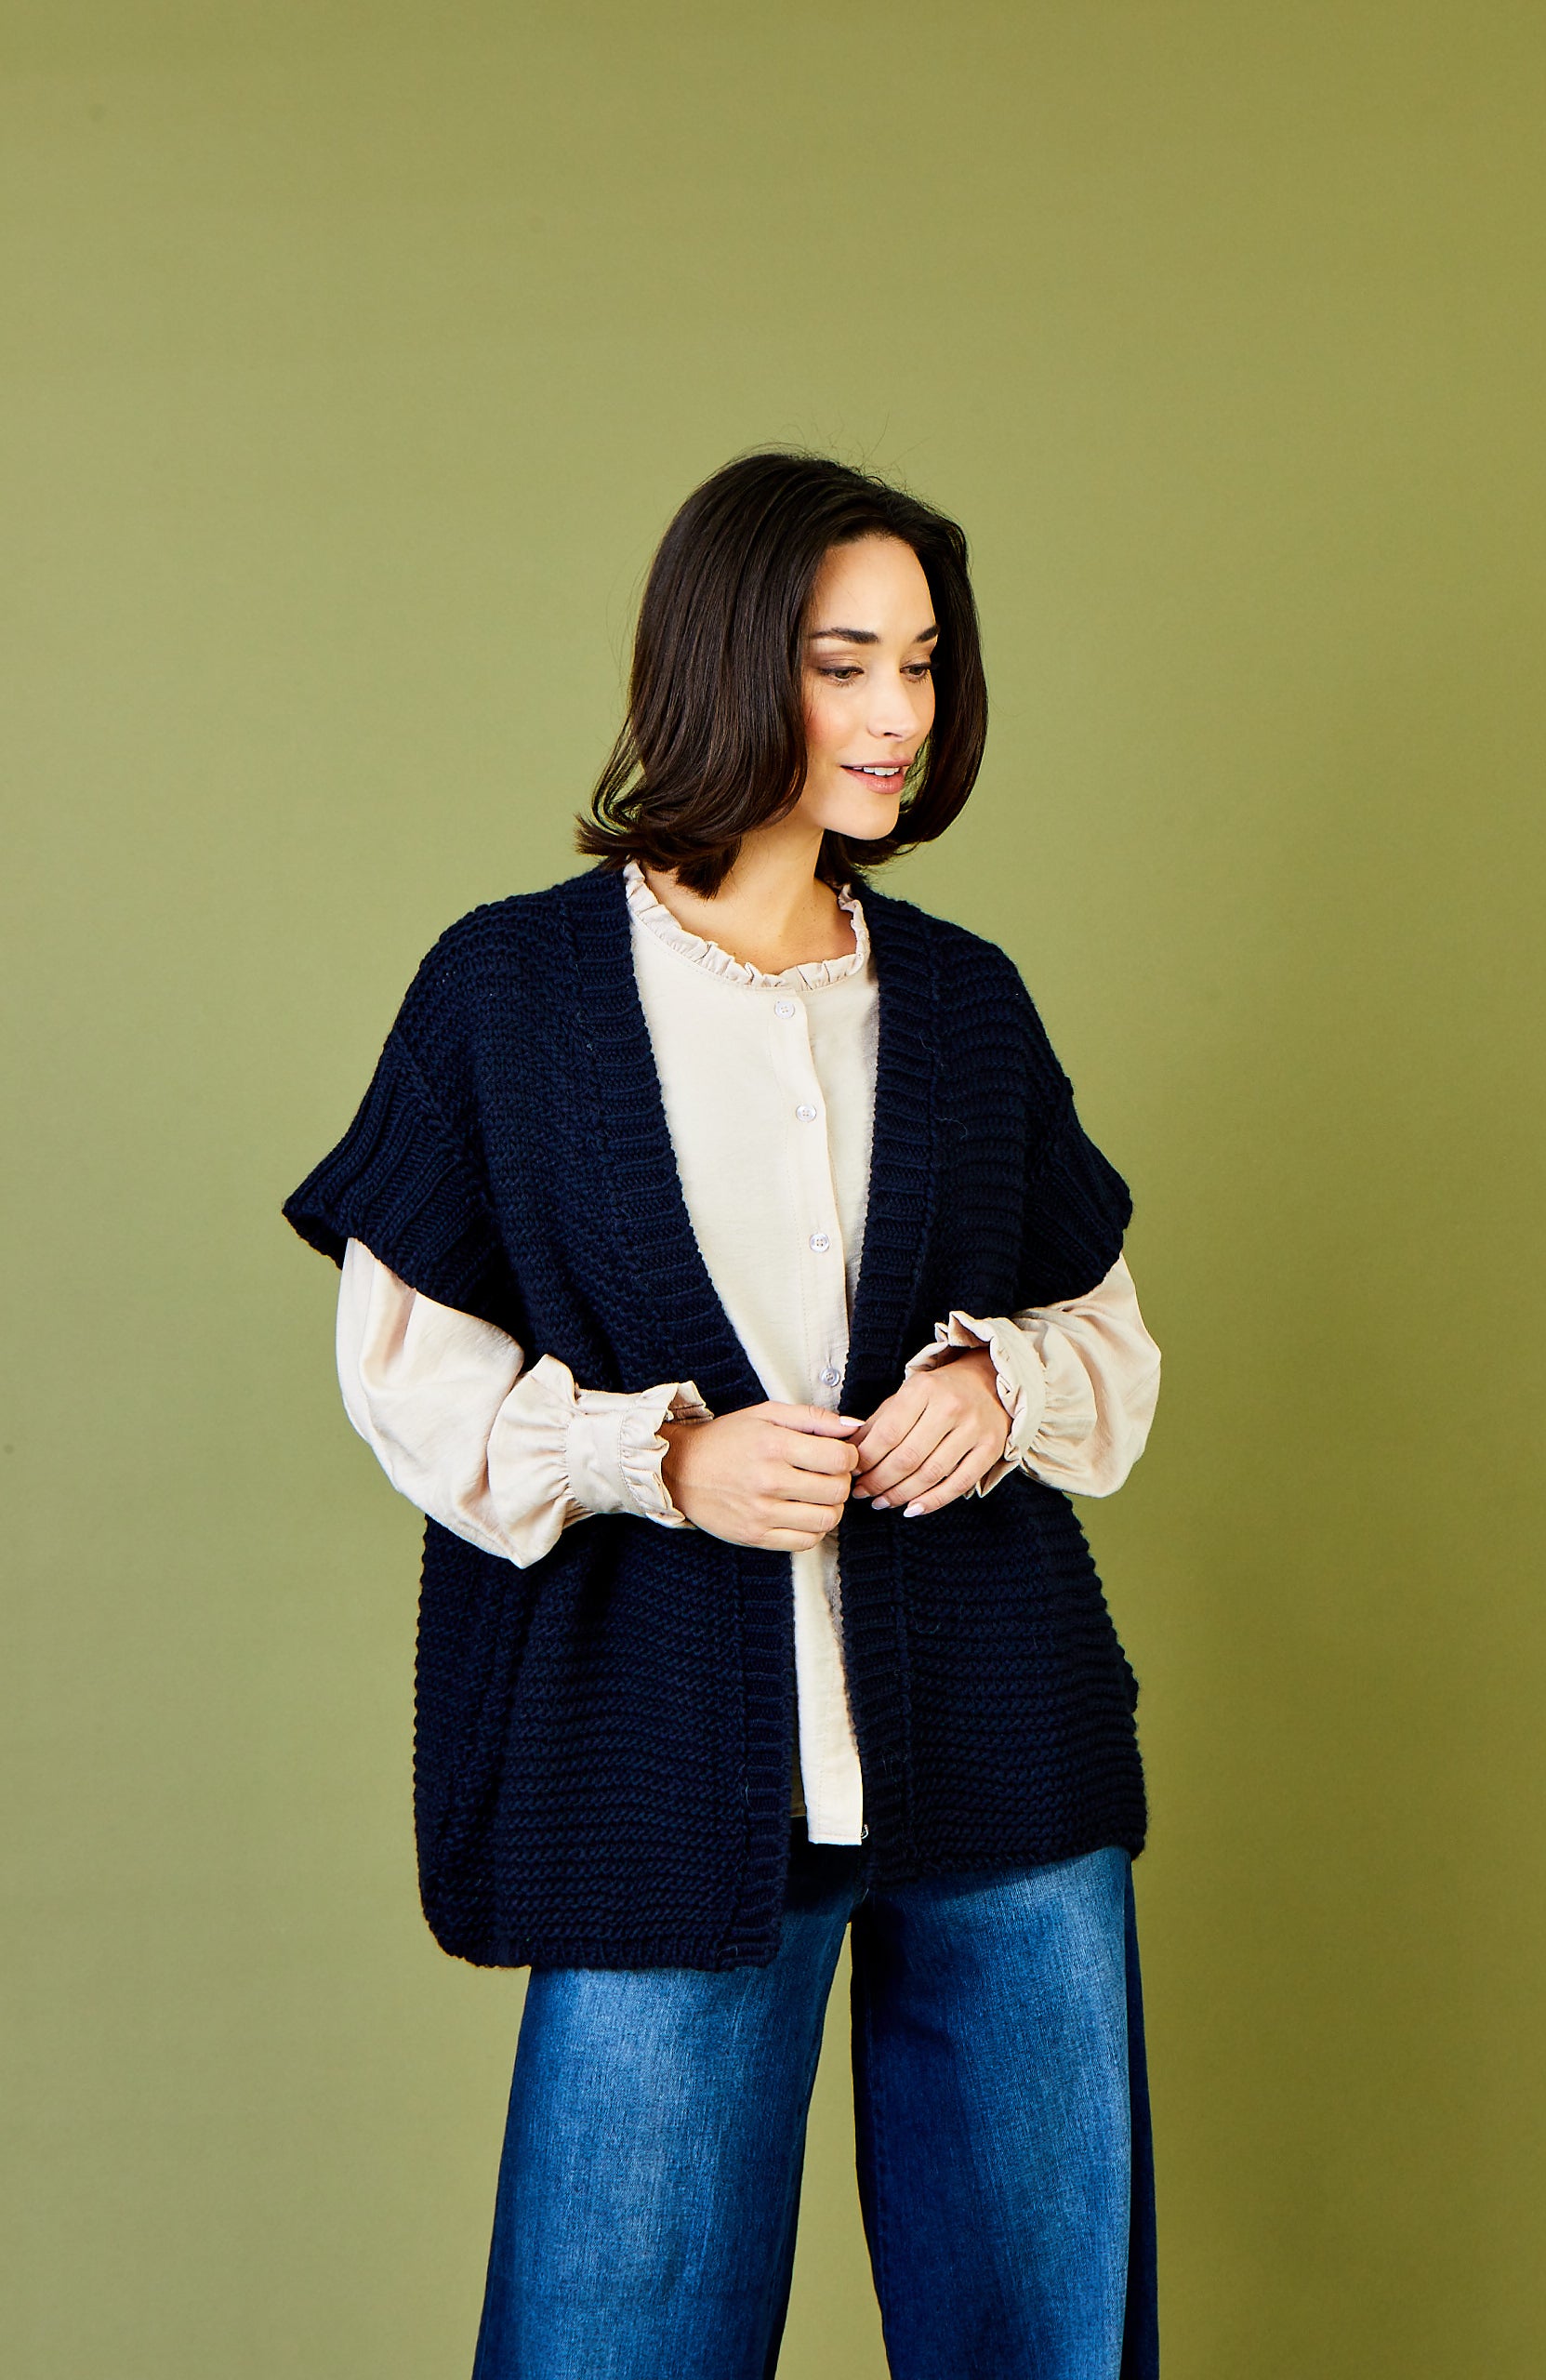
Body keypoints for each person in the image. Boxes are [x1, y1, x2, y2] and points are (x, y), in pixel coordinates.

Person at [283, 450, 1164, 2378]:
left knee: (1051, 2338)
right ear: (723, 661)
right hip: (659, 1774)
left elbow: (1108, 1340)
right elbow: (404, 1367)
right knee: (613, 2337)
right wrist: (662, 1458)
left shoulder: (964, 1004)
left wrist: (998, 1389)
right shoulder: (512, 993)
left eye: (921, 664)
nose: (897, 713)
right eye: (845, 664)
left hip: (1001, 1756)